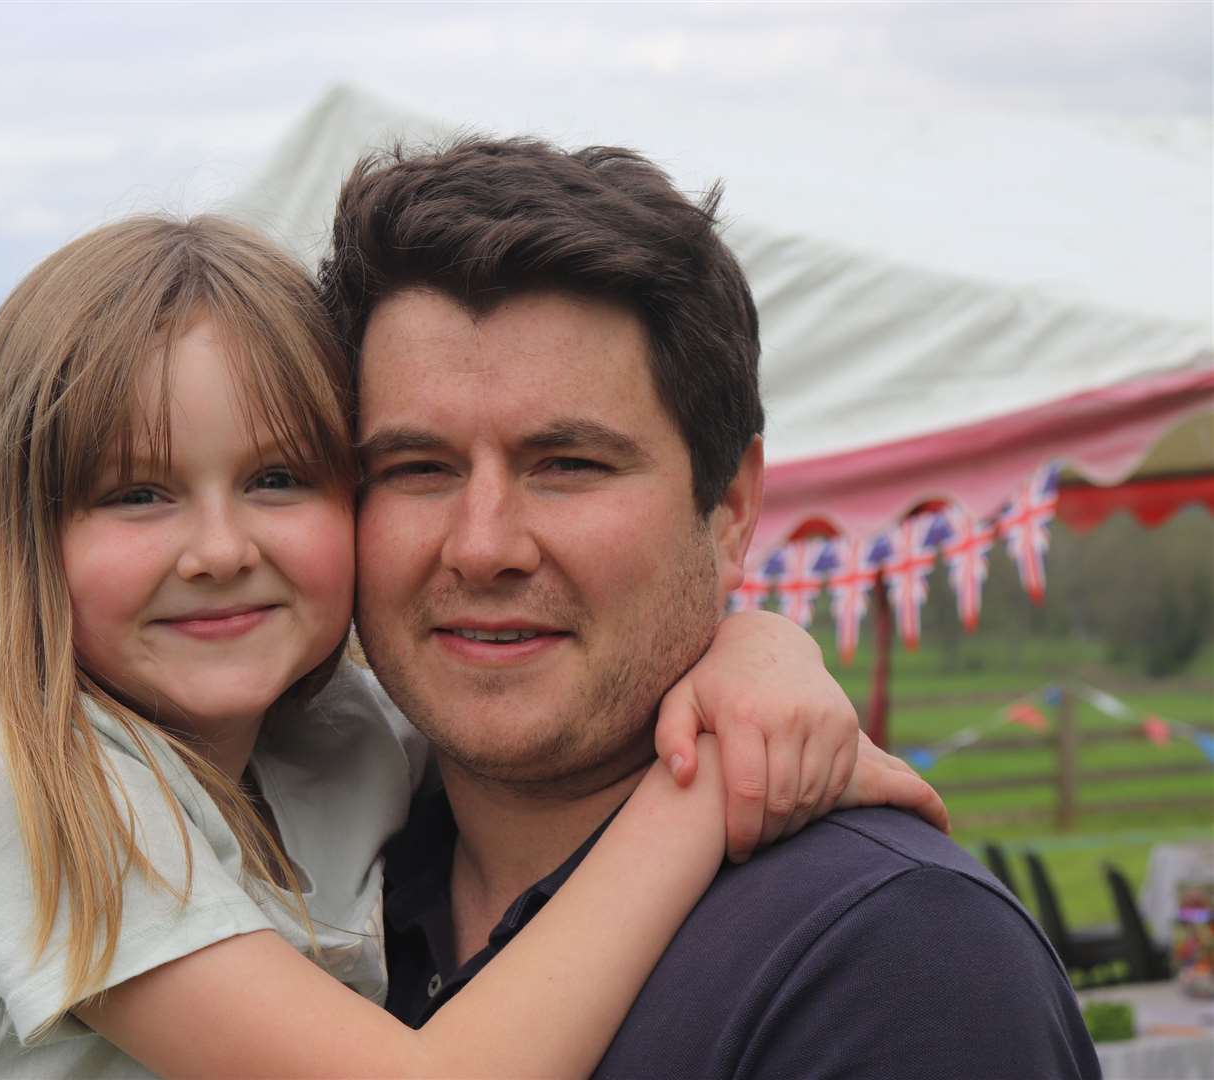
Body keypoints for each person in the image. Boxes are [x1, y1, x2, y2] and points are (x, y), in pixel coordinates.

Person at [0, 215, 940, 1079]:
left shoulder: (343, 743)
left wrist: (756, 649)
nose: (219, 548)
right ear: (19, 528)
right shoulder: (6, 777)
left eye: (279, 479)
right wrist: (710, 783)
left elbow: (535, 732)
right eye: (135, 494)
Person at [319, 137, 1103, 1079]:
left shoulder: (893, 958)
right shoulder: (299, 884)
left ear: (731, 508)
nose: (485, 546)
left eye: (568, 465)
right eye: (415, 469)